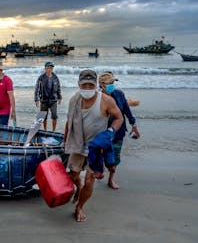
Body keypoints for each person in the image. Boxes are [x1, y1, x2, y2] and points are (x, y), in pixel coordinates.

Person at [63, 69, 124, 222]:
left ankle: (80, 207)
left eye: (91, 85)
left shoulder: (106, 100)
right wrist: (65, 141)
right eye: (85, 86)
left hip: (96, 148)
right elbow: (69, 122)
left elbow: (119, 118)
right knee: (73, 176)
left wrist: (110, 132)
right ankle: (78, 189)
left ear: (96, 84)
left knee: (90, 180)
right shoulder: (74, 100)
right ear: (79, 84)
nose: (88, 89)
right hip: (77, 144)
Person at [98, 71, 140, 189]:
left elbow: (127, 111)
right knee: (102, 157)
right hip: (103, 133)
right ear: (101, 85)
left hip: (119, 133)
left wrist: (134, 126)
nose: (112, 85)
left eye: (113, 82)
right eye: (109, 83)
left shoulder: (119, 94)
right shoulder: (98, 98)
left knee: (114, 160)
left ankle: (111, 180)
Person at [34, 61, 62, 130]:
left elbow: (58, 87)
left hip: (53, 100)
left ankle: (53, 131)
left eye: (51, 68)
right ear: (45, 69)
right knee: (43, 117)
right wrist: (36, 99)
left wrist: (59, 97)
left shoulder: (55, 77)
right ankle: (45, 130)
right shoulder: (41, 78)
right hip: (44, 100)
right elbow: (37, 88)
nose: (50, 69)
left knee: (54, 116)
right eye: (48, 68)